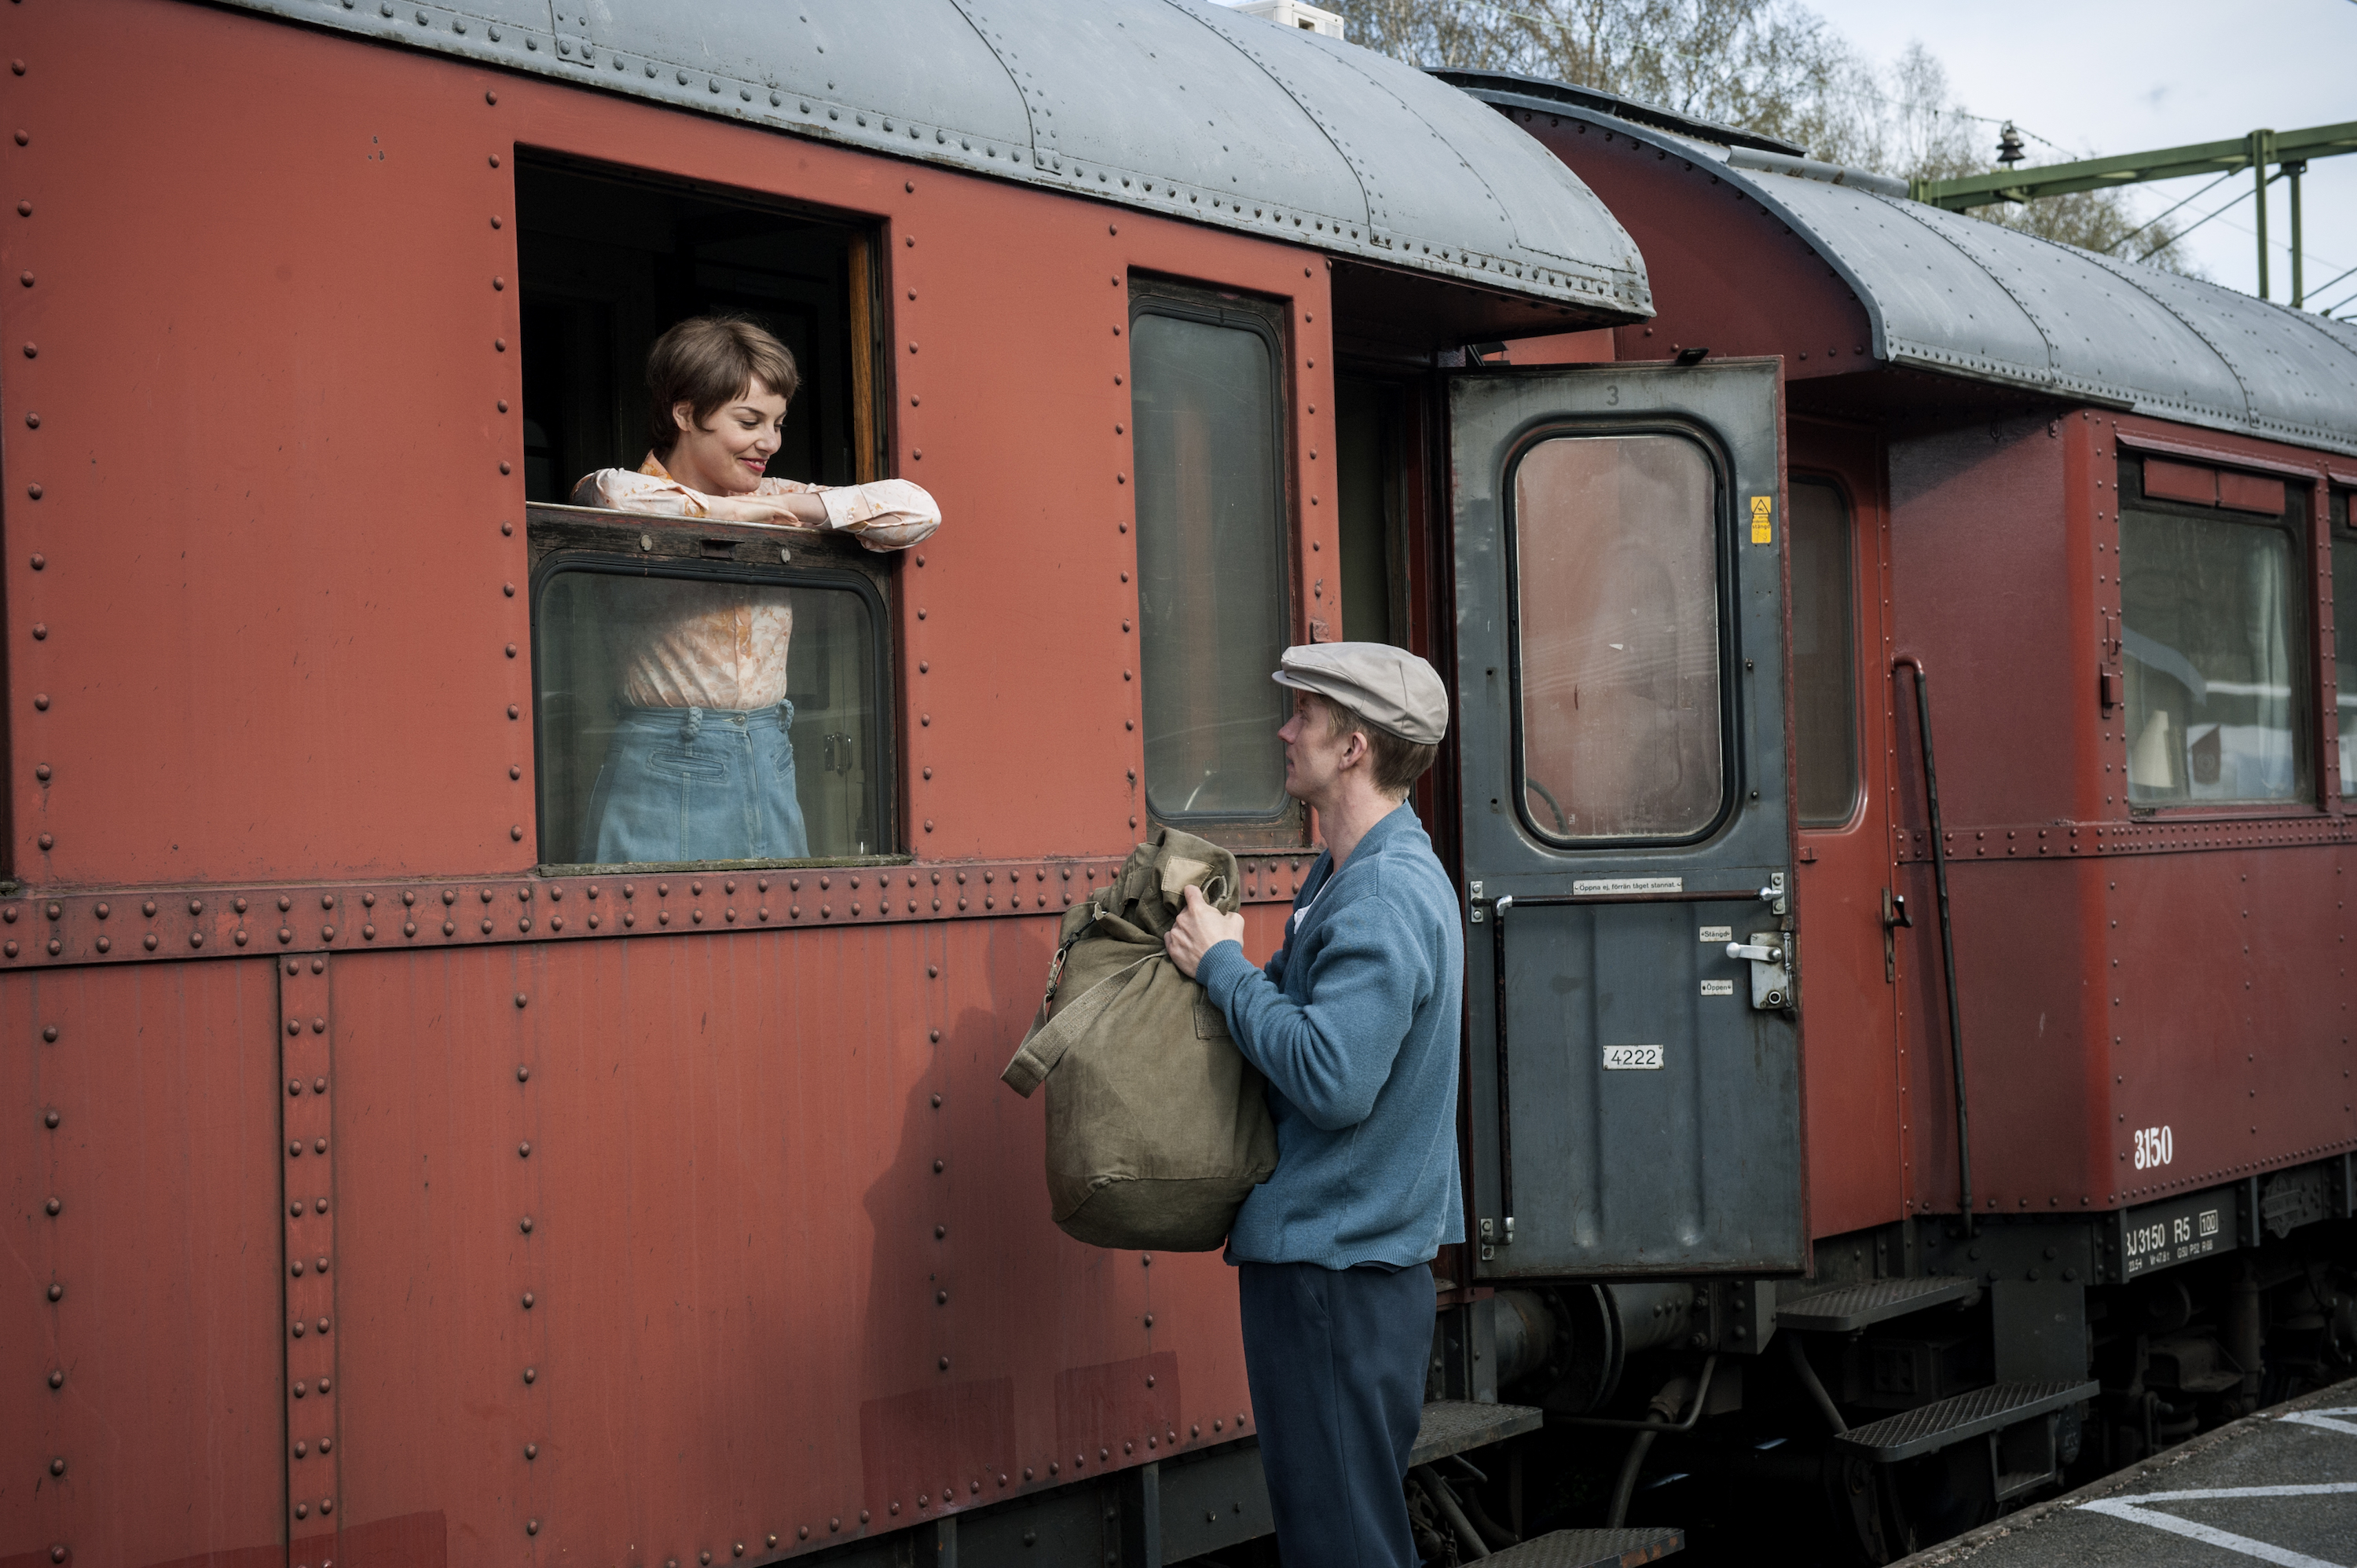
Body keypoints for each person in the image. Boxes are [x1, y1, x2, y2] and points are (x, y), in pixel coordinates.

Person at [1163, 643, 1462, 1568]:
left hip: (1336, 1268)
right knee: (1347, 1528)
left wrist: (1222, 965)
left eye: (1306, 715)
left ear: (1354, 747)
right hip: (1350, 1261)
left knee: (1342, 1545)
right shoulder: (1358, 872)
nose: (1285, 729)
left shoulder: (1377, 894)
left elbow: (1332, 1078)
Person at [570, 313, 938, 863]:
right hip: (668, 753)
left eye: (779, 422)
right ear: (686, 413)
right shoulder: (623, 488)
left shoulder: (776, 496)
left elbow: (917, 510)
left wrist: (784, 506)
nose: (769, 442)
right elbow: (615, 498)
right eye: (749, 421)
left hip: (771, 748)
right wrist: (745, 513)